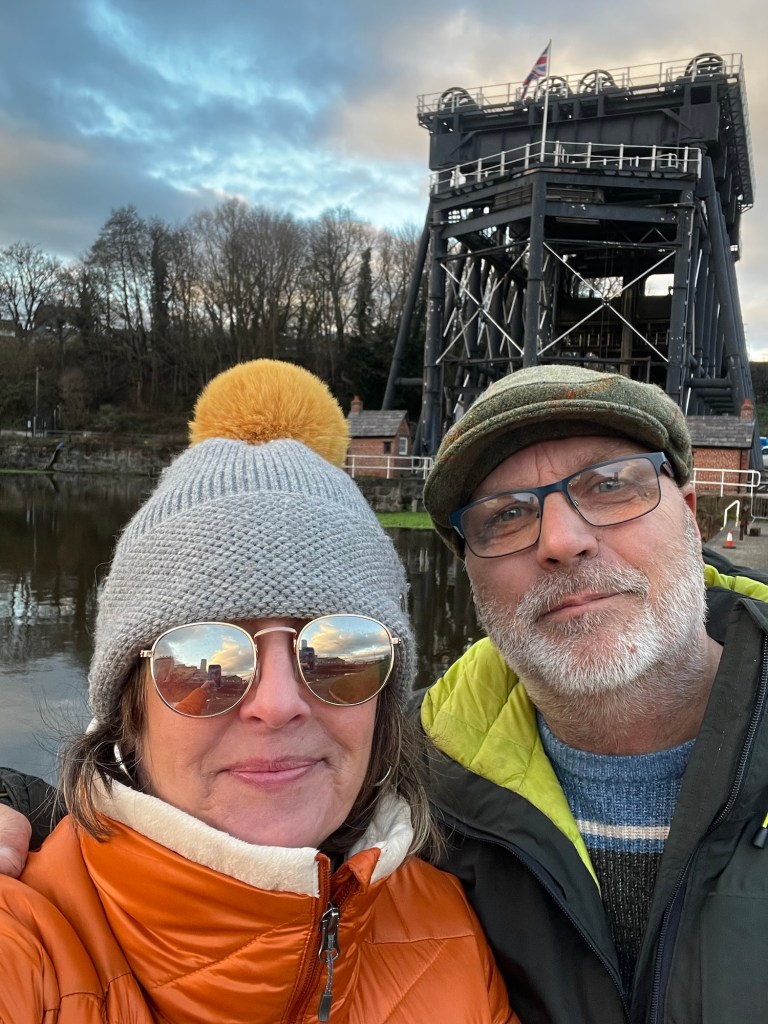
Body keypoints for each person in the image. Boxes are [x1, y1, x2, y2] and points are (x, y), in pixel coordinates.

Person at [0, 359, 516, 1023]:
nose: (277, 703)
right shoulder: (30, 946)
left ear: (385, 701)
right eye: (201, 658)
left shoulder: (452, 936)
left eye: (339, 652)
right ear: (130, 710)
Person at [418, 364, 768, 1023]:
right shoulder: (406, 809)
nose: (560, 541)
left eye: (610, 485)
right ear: (469, 574)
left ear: (691, 517)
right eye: (506, 515)